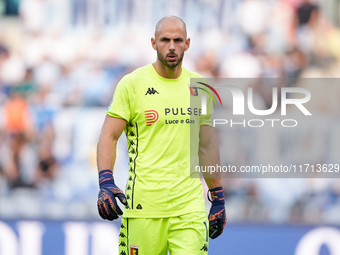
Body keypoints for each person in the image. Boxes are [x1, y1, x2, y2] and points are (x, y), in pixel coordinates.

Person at [97, 16, 226, 255]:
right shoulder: (132, 84)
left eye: (178, 40)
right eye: (165, 40)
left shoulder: (200, 87)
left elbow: (206, 145)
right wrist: (105, 181)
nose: (172, 46)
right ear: (153, 43)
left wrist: (217, 196)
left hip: (189, 209)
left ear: (187, 43)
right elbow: (109, 136)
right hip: (143, 208)